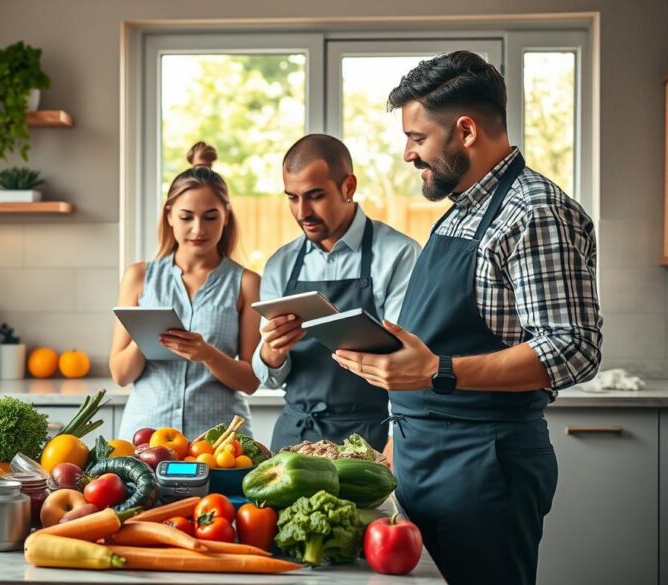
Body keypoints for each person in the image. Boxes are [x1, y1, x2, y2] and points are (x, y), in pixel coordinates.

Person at [332, 51, 602, 585]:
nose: (408, 153)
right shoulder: (465, 208)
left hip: (483, 466)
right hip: (423, 458)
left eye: (417, 137)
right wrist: (397, 439)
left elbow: (574, 347)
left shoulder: (534, 212)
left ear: (466, 130)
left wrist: (438, 372)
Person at [253, 134, 420, 453]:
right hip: (294, 440)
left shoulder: (399, 255)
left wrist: (396, 440)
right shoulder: (280, 264)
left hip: (369, 440)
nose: (302, 212)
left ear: (348, 187)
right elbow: (269, 379)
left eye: (315, 196)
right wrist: (272, 352)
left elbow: (409, 363)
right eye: (292, 197)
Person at [112, 142, 261, 440]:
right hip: (144, 438)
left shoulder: (246, 282)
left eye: (210, 217)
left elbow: (251, 381)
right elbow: (120, 374)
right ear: (169, 216)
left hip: (218, 443)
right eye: (186, 217)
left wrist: (207, 354)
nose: (198, 229)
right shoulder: (139, 277)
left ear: (226, 216)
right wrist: (148, 337)